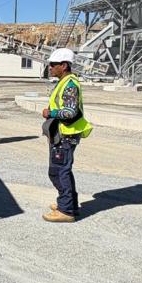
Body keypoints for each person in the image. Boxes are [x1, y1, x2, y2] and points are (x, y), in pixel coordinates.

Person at [42, 48, 93, 223]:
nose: (50, 67)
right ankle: (70, 203)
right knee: (62, 170)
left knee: (58, 172)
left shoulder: (70, 84)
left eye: (53, 64)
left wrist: (51, 113)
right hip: (63, 134)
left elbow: (70, 112)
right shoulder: (64, 82)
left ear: (64, 66)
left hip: (66, 135)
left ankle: (66, 209)